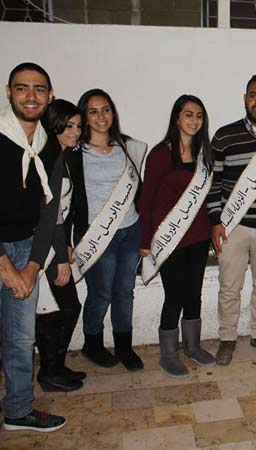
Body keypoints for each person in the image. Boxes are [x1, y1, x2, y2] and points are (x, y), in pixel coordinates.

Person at [1, 62, 66, 431]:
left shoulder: (49, 146)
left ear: (50, 96)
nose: (30, 96)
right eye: (22, 88)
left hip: (26, 247)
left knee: (21, 338)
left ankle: (18, 410)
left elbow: (48, 211)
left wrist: (31, 265)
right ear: (8, 92)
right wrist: (5, 267)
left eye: (39, 89)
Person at [64, 89, 146, 371]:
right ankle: (93, 343)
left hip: (130, 230)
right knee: (101, 293)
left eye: (106, 109)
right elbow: (65, 200)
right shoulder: (75, 152)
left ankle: (124, 346)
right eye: (93, 111)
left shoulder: (127, 147)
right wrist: (66, 240)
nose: (101, 116)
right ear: (84, 116)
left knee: (125, 291)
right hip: (97, 235)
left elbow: (138, 189)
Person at [207, 74, 256, 365]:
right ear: (245, 98)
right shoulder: (224, 136)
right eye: (253, 95)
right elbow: (212, 182)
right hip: (232, 227)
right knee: (229, 286)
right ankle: (227, 338)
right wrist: (215, 221)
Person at [138, 95, 215, 377]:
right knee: (175, 296)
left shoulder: (204, 154)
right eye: (188, 114)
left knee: (194, 293)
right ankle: (168, 355)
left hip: (198, 237)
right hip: (170, 239)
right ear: (177, 118)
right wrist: (145, 241)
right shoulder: (161, 154)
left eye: (199, 115)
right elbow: (146, 200)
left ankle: (192, 346)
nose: (194, 120)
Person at [35, 99, 86, 392]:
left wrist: (66, 243)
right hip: (44, 249)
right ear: (54, 125)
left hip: (55, 245)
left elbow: (62, 213)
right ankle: (49, 372)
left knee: (65, 307)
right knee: (58, 308)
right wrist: (60, 257)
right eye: (68, 126)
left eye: (78, 126)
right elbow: (50, 215)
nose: (75, 132)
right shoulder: (49, 158)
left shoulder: (62, 156)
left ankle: (55, 366)